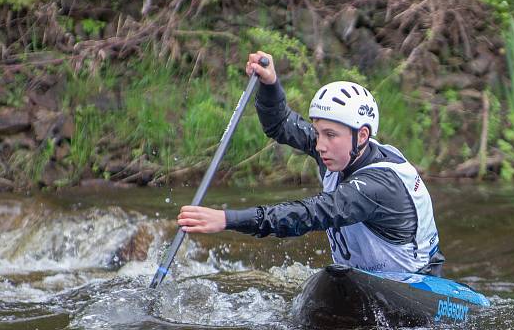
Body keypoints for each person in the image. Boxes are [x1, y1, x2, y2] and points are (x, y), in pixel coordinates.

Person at [177, 51, 445, 276]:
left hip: (416, 280)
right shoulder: (339, 153)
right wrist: (270, 85)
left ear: (361, 135)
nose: (319, 145)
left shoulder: (378, 186)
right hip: (364, 278)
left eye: (330, 135)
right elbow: (280, 124)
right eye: (318, 133)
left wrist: (227, 219)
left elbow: (310, 214)